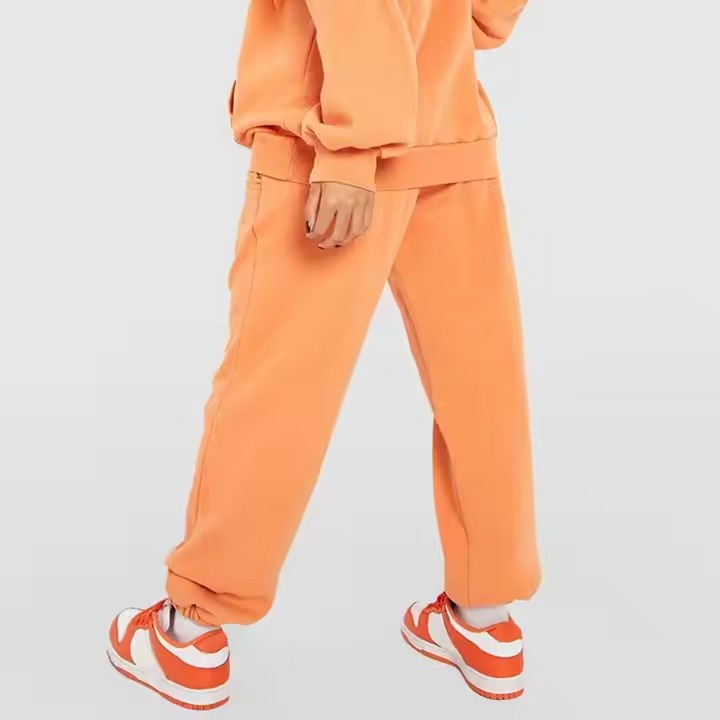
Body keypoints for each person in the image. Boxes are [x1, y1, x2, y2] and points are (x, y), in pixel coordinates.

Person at [106, 0, 539, 709]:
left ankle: (190, 632)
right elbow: (488, 18)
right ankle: (485, 618)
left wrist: (352, 144)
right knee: (482, 391)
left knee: (278, 391)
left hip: (329, 147)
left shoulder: (344, 143)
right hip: (451, 133)